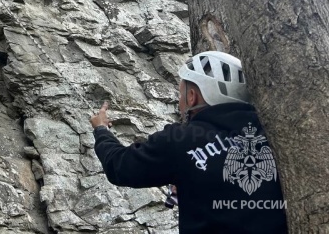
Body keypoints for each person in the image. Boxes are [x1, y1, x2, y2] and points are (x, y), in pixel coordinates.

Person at [89, 51, 287, 233]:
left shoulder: (179, 140)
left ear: (192, 97)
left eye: (181, 93)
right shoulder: (277, 132)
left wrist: (101, 130)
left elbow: (119, 166)